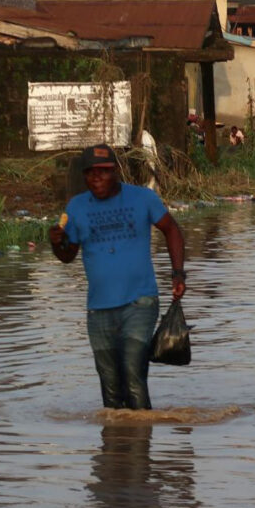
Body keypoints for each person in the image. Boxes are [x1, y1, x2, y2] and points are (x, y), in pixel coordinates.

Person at [48, 144, 186, 410]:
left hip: (140, 303)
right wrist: (56, 242)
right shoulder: (76, 207)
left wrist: (178, 273)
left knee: (134, 376)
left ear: (116, 172)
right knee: (109, 386)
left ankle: (140, 445)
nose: (96, 178)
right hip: (98, 310)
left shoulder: (142, 198)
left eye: (103, 172)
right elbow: (67, 256)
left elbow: (171, 230)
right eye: (90, 173)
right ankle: (116, 446)